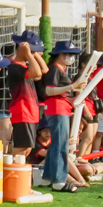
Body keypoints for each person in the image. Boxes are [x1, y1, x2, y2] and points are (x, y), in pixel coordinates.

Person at [37, 41, 87, 192]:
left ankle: (48, 177)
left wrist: (72, 99)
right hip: (56, 109)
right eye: (69, 54)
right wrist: (73, 86)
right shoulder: (54, 69)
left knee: (56, 144)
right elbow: (49, 91)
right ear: (60, 54)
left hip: (61, 107)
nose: (72, 57)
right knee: (60, 145)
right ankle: (59, 180)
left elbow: (59, 94)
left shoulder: (59, 69)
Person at [6, 32, 48, 160]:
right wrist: (29, 54)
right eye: (32, 50)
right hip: (23, 112)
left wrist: (34, 54)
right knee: (22, 148)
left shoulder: (25, 66)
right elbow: (36, 73)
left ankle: (18, 169)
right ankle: (8, 167)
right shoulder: (14, 67)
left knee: (27, 148)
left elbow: (44, 70)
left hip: (30, 113)